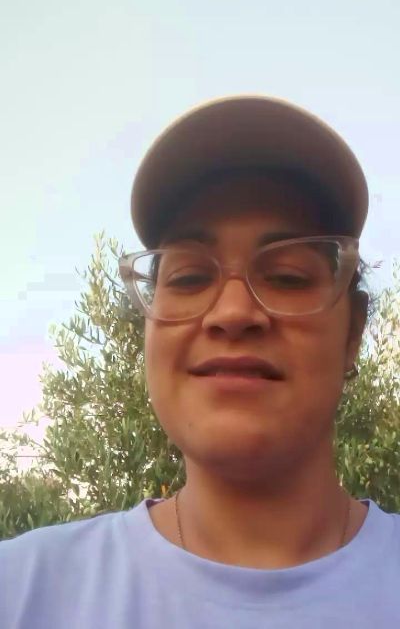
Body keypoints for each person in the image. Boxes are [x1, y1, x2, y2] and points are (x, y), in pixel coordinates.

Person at [1, 95, 399, 627]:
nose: (232, 312)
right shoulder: (22, 592)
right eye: (189, 278)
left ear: (353, 333)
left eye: (287, 276)